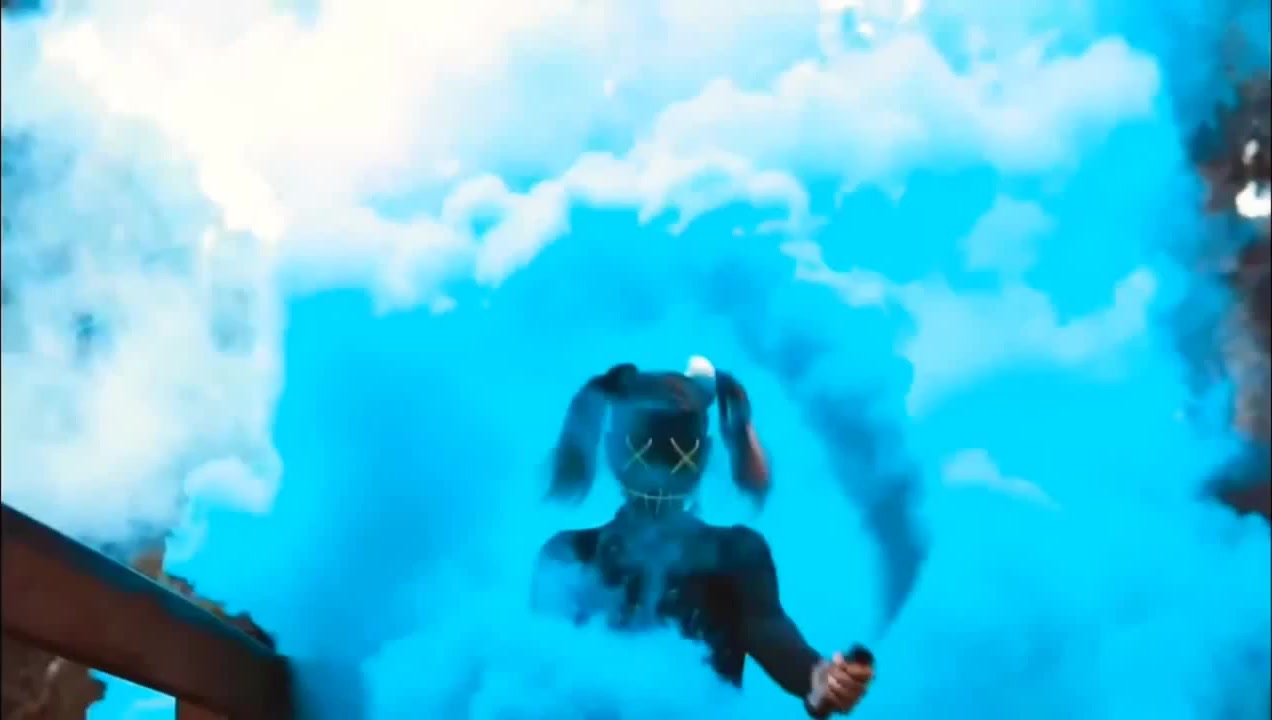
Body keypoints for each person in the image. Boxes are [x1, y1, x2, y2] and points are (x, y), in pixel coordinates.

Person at [531, 357, 875, 717]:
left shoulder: (734, 556)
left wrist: (816, 678)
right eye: (648, 450)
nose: (658, 473)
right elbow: (539, 671)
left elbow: (771, 634)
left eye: (671, 453)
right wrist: (817, 680)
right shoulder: (568, 556)